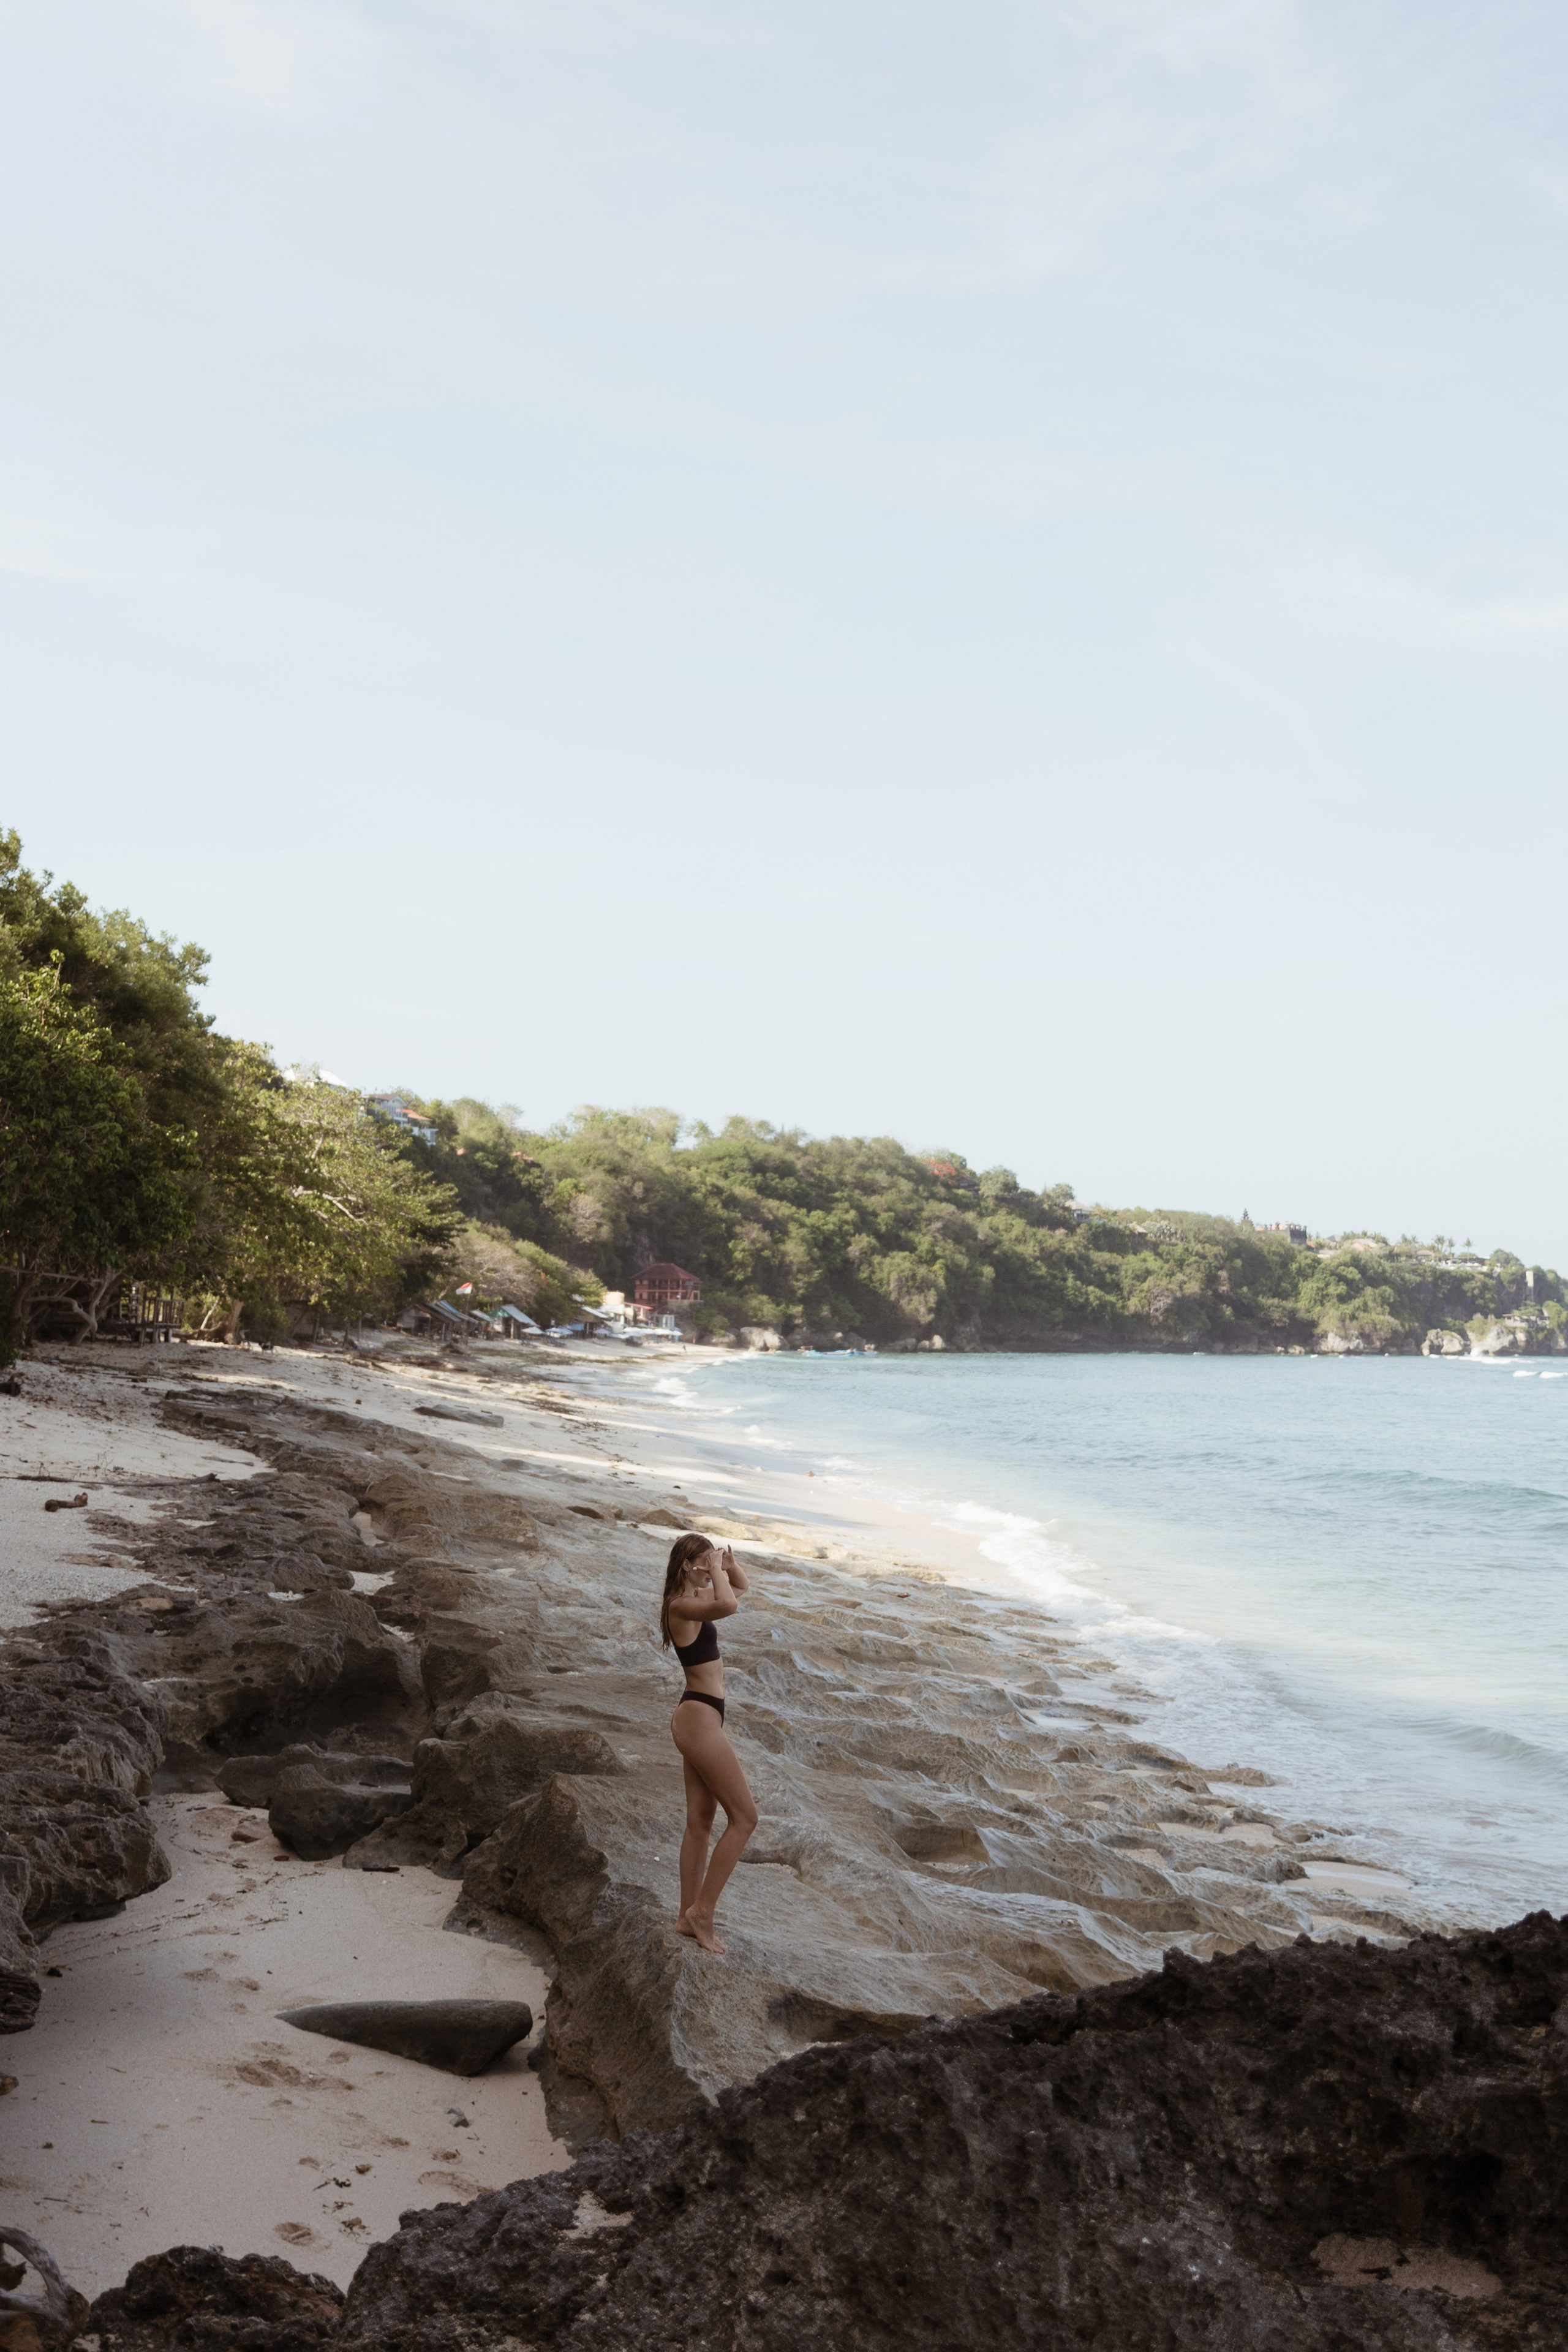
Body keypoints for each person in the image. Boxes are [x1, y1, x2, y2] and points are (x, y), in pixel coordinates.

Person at [660, 1532, 758, 1954]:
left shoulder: (697, 1599)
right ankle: (703, 1913)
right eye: (700, 1563)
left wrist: (729, 1564)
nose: (707, 1569)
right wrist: (717, 1572)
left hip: (705, 1715)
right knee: (746, 1818)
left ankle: (686, 1916)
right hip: (698, 1718)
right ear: (685, 1565)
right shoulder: (680, 1607)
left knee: (701, 1821)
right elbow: (730, 1604)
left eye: (710, 1562)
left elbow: (740, 1589)